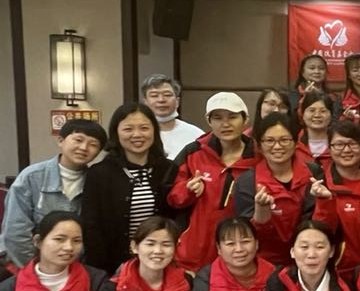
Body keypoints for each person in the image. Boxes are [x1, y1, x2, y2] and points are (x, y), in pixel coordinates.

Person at [79, 104, 174, 274]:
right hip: (113, 267)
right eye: (128, 129)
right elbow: (91, 227)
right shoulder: (100, 173)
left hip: (161, 262)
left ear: (154, 131)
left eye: (144, 128)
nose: (137, 135)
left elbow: (176, 218)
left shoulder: (169, 169)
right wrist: (101, 271)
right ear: (116, 133)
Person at [167, 93, 257, 273]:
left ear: (245, 120)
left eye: (232, 117)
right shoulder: (194, 152)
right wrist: (188, 190)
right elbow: (171, 196)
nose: (225, 124)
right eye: (217, 118)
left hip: (240, 253)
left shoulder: (258, 156)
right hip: (193, 253)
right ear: (209, 121)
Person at [1, 118, 106, 269]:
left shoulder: (96, 181)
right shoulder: (32, 177)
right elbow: (16, 232)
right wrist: (38, 271)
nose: (84, 147)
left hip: (76, 269)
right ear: (61, 141)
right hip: (29, 266)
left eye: (93, 144)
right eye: (78, 140)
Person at [234, 113, 318, 265]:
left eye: (284, 140)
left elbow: (320, 224)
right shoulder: (246, 182)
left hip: (308, 259)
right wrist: (261, 216)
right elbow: (245, 236)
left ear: (295, 143)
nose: (277, 146)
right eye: (269, 141)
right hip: (263, 263)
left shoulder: (313, 173)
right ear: (259, 145)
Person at [312, 122, 360, 280]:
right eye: (339, 145)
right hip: (337, 273)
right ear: (330, 148)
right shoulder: (320, 186)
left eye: (352, 144)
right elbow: (319, 234)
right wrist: (325, 201)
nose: (346, 150)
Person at [141, 74, 205, 159]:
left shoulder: (195, 134)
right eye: (154, 96)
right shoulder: (137, 133)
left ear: (177, 101)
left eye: (167, 95)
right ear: (145, 102)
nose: (161, 100)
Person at [296, 91, 337, 161]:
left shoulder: (339, 146)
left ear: (331, 115)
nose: (317, 115)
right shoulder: (293, 145)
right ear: (302, 114)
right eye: (312, 110)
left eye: (323, 111)